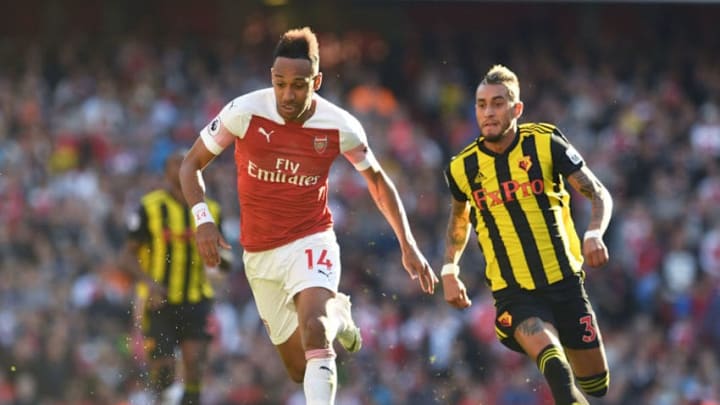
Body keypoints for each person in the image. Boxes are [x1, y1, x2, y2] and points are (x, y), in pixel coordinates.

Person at [178, 26, 437, 404]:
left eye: (298, 85)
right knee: (299, 369)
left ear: (316, 81)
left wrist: (408, 243)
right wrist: (202, 219)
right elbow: (191, 164)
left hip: (310, 238)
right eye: (280, 83)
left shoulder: (339, 126)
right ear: (272, 78)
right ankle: (341, 317)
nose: (287, 94)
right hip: (260, 254)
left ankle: (327, 317)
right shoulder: (244, 111)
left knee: (314, 329)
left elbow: (379, 182)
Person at [441, 65, 612, 405]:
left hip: (565, 282)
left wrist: (594, 232)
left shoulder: (546, 144)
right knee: (558, 375)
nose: (488, 112)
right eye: (481, 104)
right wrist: (449, 269)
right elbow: (459, 220)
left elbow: (598, 193)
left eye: (498, 103)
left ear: (516, 109)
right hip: (514, 292)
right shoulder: (462, 167)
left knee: (596, 385)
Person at [121, 152, 227, 405]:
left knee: (194, 367)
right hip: (160, 301)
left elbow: (222, 259)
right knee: (164, 371)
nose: (181, 168)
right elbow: (126, 256)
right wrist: (148, 283)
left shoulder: (211, 210)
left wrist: (219, 270)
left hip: (196, 298)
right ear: (166, 171)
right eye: (175, 163)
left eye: (187, 163)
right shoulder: (149, 206)